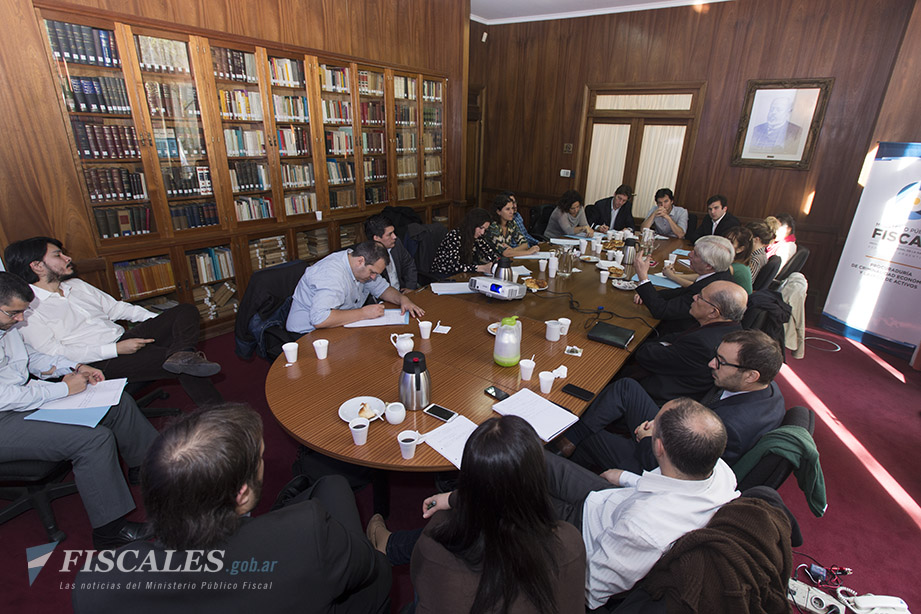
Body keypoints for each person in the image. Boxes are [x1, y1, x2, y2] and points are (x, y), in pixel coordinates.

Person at [72, 404, 392, 613]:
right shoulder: (307, 532)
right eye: (260, 458)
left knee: (331, 485)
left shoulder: (95, 583)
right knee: (377, 567)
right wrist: (376, 555)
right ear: (241, 494)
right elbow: (368, 572)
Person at [0, 271, 157, 550]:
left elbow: (30, 358)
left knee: (115, 403)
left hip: (23, 400)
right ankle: (109, 531)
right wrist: (63, 389)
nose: (21, 319)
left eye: (23, 312)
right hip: (5, 417)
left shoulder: (7, 325)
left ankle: (148, 468)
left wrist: (73, 367)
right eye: (14, 313)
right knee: (93, 440)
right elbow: (5, 396)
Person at [368, 416, 585, 614]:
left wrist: (454, 501)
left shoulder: (436, 544)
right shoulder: (570, 542)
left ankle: (389, 546)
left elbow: (421, 582)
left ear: (467, 480)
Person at [542, 399, 739, 609]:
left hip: (585, 534)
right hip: (607, 499)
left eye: (655, 422)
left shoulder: (643, 529)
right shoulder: (718, 469)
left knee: (517, 487)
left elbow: (589, 588)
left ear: (659, 447)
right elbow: (669, 486)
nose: (648, 423)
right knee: (527, 454)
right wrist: (625, 477)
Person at [4, 237, 222, 407]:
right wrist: (114, 349)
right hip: (98, 361)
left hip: (122, 338)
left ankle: (182, 353)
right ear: (37, 266)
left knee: (185, 310)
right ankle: (221, 416)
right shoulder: (27, 310)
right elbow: (55, 354)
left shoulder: (77, 285)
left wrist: (164, 323)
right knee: (183, 365)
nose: (67, 258)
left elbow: (118, 309)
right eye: (57, 255)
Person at [553, 329, 786, 475]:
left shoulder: (731, 428)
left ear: (751, 375)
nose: (711, 364)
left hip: (658, 464)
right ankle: (569, 441)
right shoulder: (764, 387)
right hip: (679, 433)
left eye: (721, 362)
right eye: (716, 356)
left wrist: (650, 437)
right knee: (627, 388)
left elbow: (678, 473)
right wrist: (662, 423)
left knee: (591, 437)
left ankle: (562, 469)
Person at [627, 280, 747, 403]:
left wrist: (662, 345)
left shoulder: (701, 343)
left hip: (658, 396)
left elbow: (646, 356)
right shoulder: (732, 328)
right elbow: (673, 338)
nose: (694, 297)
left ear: (713, 312)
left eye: (700, 297)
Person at [286, 240, 424, 334]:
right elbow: (319, 319)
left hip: (337, 327)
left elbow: (383, 289)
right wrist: (363, 313)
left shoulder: (361, 267)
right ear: (360, 261)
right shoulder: (331, 274)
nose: (373, 277)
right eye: (372, 272)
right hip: (306, 334)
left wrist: (403, 299)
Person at [634, 235, 735, 334]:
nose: (689, 254)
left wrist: (643, 277)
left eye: (695, 254)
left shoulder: (708, 289)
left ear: (708, 266)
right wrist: (648, 293)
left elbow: (661, 311)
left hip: (677, 333)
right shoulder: (722, 272)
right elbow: (683, 292)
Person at [431, 208, 502, 276]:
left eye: (485, 229)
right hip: (443, 275)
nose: (482, 232)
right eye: (481, 228)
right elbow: (453, 266)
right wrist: (481, 268)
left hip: (461, 275)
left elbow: (490, 253)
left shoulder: (477, 237)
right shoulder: (454, 236)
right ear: (472, 224)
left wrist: (499, 262)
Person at [364, 213, 418, 292]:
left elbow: (409, 264)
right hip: (384, 296)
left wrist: (410, 288)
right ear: (376, 238)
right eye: (389, 234)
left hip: (402, 291)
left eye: (393, 232)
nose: (394, 237)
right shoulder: (368, 257)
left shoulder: (396, 243)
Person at [485, 193, 540, 258]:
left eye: (512, 208)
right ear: (498, 212)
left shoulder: (511, 223)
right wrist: (529, 252)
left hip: (504, 260)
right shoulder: (493, 227)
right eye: (507, 209)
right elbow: (505, 253)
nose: (512, 212)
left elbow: (525, 244)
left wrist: (512, 250)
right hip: (490, 261)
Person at [723, 225, 754, 293]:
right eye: (725, 240)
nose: (724, 244)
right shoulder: (731, 262)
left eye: (731, 242)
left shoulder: (735, 268)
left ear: (740, 249)